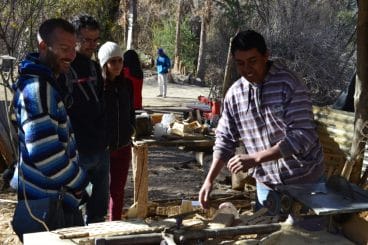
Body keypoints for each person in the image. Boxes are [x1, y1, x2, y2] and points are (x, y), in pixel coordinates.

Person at [198, 30, 324, 218]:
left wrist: (255, 159)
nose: (247, 69)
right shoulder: (235, 94)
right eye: (240, 63)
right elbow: (224, 139)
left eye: (253, 61)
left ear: (266, 56)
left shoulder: (289, 83)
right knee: (267, 235)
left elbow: (302, 135)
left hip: (305, 181)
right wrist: (209, 180)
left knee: (309, 237)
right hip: (266, 185)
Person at [11, 18, 88, 236]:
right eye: (64, 48)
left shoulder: (47, 82)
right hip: (47, 205)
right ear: (43, 46)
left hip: (53, 198)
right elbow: (45, 155)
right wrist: (81, 182)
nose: (72, 55)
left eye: (73, 48)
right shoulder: (37, 89)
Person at [66, 15, 109, 224]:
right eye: (86, 40)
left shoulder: (94, 68)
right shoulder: (65, 68)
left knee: (98, 211)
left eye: (95, 40)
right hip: (77, 151)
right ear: (74, 38)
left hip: (100, 149)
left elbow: (101, 103)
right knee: (74, 209)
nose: (91, 45)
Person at [98, 42, 136, 221]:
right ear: (105, 63)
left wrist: (131, 129)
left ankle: (115, 223)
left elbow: (131, 112)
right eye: (113, 61)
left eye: (120, 60)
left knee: (118, 190)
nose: (118, 65)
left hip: (123, 145)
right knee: (98, 191)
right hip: (103, 148)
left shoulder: (127, 85)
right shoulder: (98, 86)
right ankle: (93, 224)